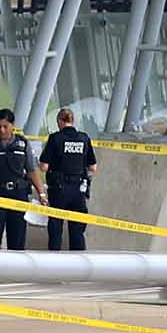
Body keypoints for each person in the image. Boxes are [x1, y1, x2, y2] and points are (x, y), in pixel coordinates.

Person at [0, 108, 47, 251]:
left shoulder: (23, 144)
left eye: (5, 126)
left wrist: (41, 194)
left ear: (12, 126)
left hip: (18, 195)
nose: (1, 130)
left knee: (17, 239)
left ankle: (16, 271)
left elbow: (32, 170)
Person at [39, 107, 98, 251]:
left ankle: (54, 262)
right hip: (79, 190)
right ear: (73, 121)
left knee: (56, 228)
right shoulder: (84, 138)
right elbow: (93, 168)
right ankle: (79, 264)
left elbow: (44, 167)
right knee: (77, 230)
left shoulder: (55, 138)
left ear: (59, 121)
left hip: (59, 189)